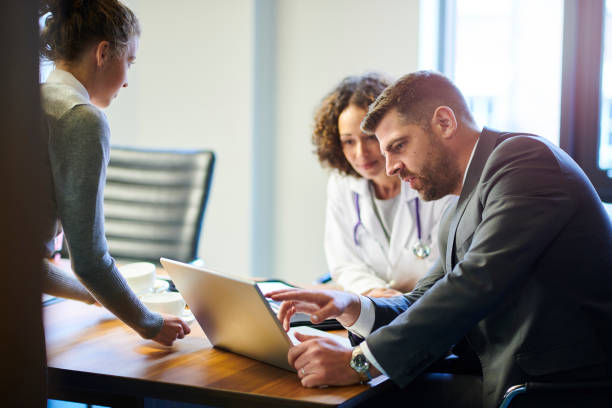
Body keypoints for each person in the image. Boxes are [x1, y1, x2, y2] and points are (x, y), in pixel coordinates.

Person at [268, 71, 612, 407]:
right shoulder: (464, 198)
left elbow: (474, 284)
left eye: (398, 146)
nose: (390, 168)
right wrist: (353, 306)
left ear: (444, 123)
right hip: (500, 373)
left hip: (556, 388)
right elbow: (422, 298)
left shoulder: (526, 163)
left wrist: (358, 362)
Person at [39, 0, 190, 346]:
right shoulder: (80, 118)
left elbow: (18, 263)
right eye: (129, 61)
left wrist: (101, 297)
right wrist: (150, 323)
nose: (125, 82)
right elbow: (89, 260)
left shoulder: (27, 101)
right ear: (104, 53)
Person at [312, 73, 453, 297]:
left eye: (369, 137)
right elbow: (344, 263)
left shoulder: (432, 180)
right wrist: (374, 291)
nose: (361, 153)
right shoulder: (342, 184)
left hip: (427, 309)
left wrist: (398, 301)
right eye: (348, 141)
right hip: (370, 306)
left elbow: (446, 266)